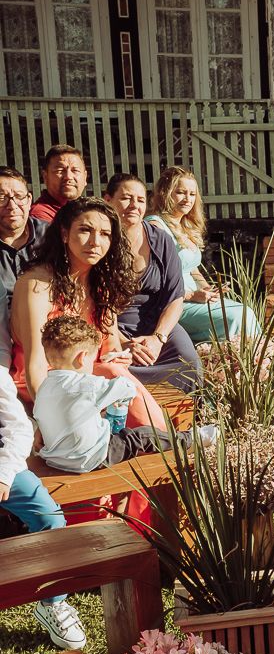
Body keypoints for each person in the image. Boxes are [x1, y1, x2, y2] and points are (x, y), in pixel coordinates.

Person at [10, 197, 167, 431]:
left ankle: (155, 439)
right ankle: (161, 439)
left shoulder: (100, 282)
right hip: (45, 383)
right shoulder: (37, 283)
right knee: (115, 378)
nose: (95, 242)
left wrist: (118, 356)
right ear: (64, 234)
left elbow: (109, 345)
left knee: (116, 372)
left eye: (105, 234)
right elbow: (35, 364)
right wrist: (47, 421)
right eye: (85, 230)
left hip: (91, 377)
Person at [34, 315, 215, 473]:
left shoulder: (45, 387)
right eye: (92, 357)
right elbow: (126, 386)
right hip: (91, 457)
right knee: (141, 436)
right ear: (82, 357)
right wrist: (115, 363)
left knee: (105, 421)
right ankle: (191, 440)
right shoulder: (88, 385)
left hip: (56, 458)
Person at [0, 359, 76, 650]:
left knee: (50, 517)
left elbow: (19, 430)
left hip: (4, 465)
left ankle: (53, 603)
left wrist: (4, 475)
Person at [103, 174, 203, 394]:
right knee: (115, 368)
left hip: (158, 323)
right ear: (108, 200)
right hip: (110, 327)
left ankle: (185, 422)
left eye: (140, 200)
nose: (134, 205)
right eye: (126, 198)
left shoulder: (160, 239)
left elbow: (175, 296)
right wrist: (122, 342)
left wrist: (158, 338)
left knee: (188, 363)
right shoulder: (99, 241)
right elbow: (93, 300)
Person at [147, 167, 261, 343]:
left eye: (192, 194)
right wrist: (192, 295)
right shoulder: (156, 226)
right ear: (165, 194)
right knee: (236, 316)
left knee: (247, 312)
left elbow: (192, 270)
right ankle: (232, 363)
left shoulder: (186, 226)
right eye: (180, 192)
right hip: (173, 303)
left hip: (195, 298)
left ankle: (252, 365)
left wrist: (207, 289)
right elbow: (155, 280)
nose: (188, 199)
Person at [0, 166, 45, 304]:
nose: (12, 205)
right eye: (2, 198)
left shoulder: (50, 237)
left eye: (19, 197)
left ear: (29, 199)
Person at [29, 145, 88, 223]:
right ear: (45, 177)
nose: (68, 176)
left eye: (75, 170)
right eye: (60, 170)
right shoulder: (40, 217)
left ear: (85, 177)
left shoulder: (87, 211)